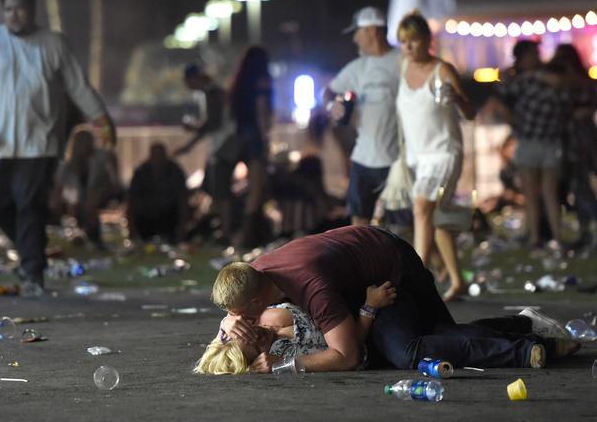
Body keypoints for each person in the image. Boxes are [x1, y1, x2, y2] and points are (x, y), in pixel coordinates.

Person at [212, 225, 578, 373]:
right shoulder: (255, 274)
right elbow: (237, 311)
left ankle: (528, 342)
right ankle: (524, 325)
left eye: (240, 316)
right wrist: (227, 325)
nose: (241, 324)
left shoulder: (311, 287)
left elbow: (348, 354)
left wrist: (279, 369)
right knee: (443, 333)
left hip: (391, 272)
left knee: (412, 350)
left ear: (257, 303)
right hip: (362, 280)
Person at [0, 0, 115, 297]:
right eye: (8, 9)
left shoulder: (53, 43)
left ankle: (33, 273)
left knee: (29, 204)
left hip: (39, 142)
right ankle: (30, 249)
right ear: (2, 12)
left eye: (20, 8)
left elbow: (78, 86)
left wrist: (101, 120)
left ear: (33, 10)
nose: (14, 15)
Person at [394, 11, 475, 302]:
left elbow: (470, 113)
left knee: (421, 208)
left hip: (444, 153)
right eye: (403, 42)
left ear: (427, 40)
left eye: (413, 40)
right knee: (436, 218)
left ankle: (418, 274)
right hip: (419, 156)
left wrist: (459, 100)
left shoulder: (442, 70)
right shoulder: (402, 68)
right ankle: (457, 280)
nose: (409, 47)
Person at [195, 282, 396, 374]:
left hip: (343, 288)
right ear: (258, 361)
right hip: (372, 320)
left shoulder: (259, 316)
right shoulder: (289, 352)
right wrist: (370, 307)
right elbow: (352, 349)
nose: (259, 335)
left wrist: (227, 319)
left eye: (249, 331)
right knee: (410, 351)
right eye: (257, 347)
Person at [323, 7, 401, 226]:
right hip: (363, 159)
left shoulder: (402, 61)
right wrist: (332, 105)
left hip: (396, 160)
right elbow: (328, 91)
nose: (355, 39)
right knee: (359, 223)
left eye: (358, 32)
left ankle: (409, 261)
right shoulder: (358, 67)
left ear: (372, 31)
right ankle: (365, 261)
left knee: (401, 224)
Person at [497, 40, 574, 249]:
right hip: (531, 141)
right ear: (522, 59)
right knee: (533, 194)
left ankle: (550, 237)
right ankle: (537, 237)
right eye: (532, 54)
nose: (537, 56)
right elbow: (503, 101)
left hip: (546, 142)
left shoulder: (535, 77)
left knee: (549, 193)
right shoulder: (522, 81)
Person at [176, 64, 236, 241]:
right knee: (211, 187)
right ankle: (219, 227)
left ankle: (225, 232)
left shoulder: (211, 92)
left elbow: (213, 123)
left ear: (194, 78)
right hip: (220, 146)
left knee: (222, 190)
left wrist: (190, 139)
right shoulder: (210, 92)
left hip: (222, 146)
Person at [547, 44, 597, 249]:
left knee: (583, 187)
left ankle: (589, 230)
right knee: (579, 188)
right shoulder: (574, 82)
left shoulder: (577, 82)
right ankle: (587, 230)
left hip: (580, 140)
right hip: (574, 140)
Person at [50, 127, 121, 249]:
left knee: (90, 203)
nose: (84, 145)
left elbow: (113, 179)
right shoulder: (67, 166)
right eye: (81, 141)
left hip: (103, 194)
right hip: (77, 199)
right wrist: (55, 202)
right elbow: (59, 186)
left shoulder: (101, 158)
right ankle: (85, 234)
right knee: (78, 204)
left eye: (87, 141)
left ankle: (90, 236)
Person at [230, 47, 274, 247]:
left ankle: (254, 231)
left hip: (242, 136)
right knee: (256, 188)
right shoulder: (262, 80)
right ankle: (245, 236)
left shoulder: (240, 83)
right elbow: (262, 110)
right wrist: (265, 138)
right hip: (256, 136)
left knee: (254, 186)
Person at [127, 142, 189, 243]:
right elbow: (131, 201)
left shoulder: (175, 171)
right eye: (155, 156)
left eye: (161, 156)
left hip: (168, 217)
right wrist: (131, 230)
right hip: (146, 217)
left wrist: (182, 228)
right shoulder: (141, 172)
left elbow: (183, 199)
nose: (158, 160)